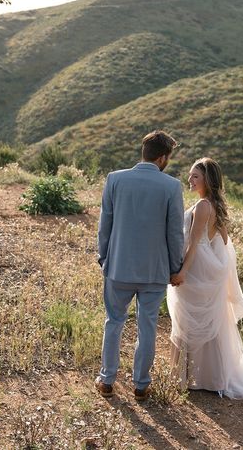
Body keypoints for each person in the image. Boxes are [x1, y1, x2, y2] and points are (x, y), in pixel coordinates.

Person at [167, 157, 243, 399]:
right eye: (190, 175)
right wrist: (212, 259)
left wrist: (183, 271)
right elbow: (224, 242)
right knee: (207, 318)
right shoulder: (215, 205)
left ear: (207, 180)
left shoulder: (204, 206)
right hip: (206, 267)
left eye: (195, 176)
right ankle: (210, 376)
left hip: (195, 268)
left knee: (190, 317)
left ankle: (187, 375)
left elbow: (194, 243)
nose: (190, 180)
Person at [96, 130, 185, 401]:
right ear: (162, 158)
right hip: (154, 271)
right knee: (147, 326)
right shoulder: (172, 186)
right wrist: (174, 267)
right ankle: (141, 385)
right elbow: (174, 233)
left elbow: (105, 225)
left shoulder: (115, 179)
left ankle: (107, 380)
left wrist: (104, 258)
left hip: (118, 266)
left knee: (114, 321)